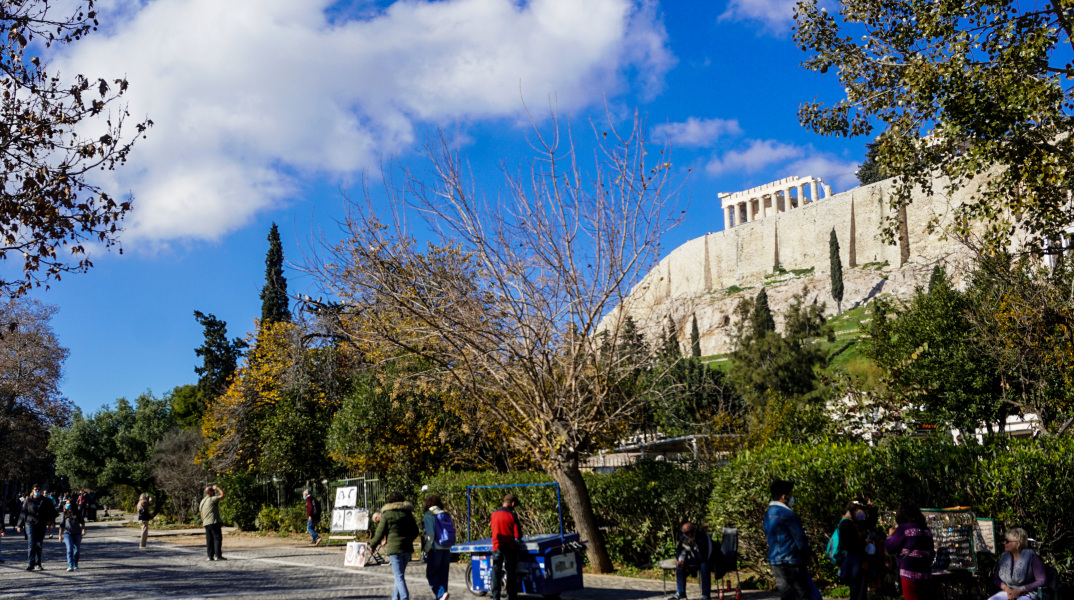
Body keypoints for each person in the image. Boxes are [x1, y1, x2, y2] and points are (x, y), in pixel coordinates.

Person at [763, 479, 812, 600]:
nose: (792, 497)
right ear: (784, 496)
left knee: (786, 595)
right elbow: (800, 538)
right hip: (791, 560)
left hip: (775, 561)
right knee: (801, 595)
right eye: (791, 494)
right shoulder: (787, 514)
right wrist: (807, 556)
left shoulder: (768, 514)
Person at [368, 491, 420, 600]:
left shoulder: (387, 514)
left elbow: (379, 532)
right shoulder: (407, 513)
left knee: (399, 576)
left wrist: (372, 545)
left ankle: (405, 598)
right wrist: (408, 540)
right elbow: (416, 530)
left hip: (394, 549)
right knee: (399, 575)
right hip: (407, 549)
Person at [884, 504, 934, 600]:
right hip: (925, 573)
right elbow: (931, 552)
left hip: (909, 574)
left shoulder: (903, 528)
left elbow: (890, 548)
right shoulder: (926, 530)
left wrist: (890, 535)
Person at [833, 500, 877, 600]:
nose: (861, 512)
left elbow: (870, 522)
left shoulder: (854, 523)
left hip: (859, 563)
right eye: (859, 509)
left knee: (860, 592)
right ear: (853, 510)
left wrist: (873, 509)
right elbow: (849, 545)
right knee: (857, 593)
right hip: (855, 564)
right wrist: (865, 542)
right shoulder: (846, 524)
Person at [988, 528, 1047, 600]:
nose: (1004, 543)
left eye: (1007, 541)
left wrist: (1020, 589)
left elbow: (1042, 580)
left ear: (1017, 544)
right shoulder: (1004, 557)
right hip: (1008, 591)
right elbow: (996, 579)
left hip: (1028, 593)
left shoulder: (1032, 557)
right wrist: (1007, 589)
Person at [672, 522, 722, 600]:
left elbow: (703, 557)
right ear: (684, 533)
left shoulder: (702, 537)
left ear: (694, 529)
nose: (690, 534)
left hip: (713, 561)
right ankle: (681, 593)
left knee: (704, 564)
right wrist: (680, 561)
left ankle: (706, 595)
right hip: (696, 560)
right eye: (687, 533)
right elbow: (680, 551)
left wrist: (687, 562)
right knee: (679, 566)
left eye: (691, 531)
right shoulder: (683, 538)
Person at [17, 484, 58, 571]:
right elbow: (23, 513)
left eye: (39, 489)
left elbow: (51, 512)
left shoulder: (46, 501)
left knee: (39, 544)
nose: (37, 490)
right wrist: (19, 525)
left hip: (41, 524)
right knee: (31, 544)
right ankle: (30, 563)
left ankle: (38, 563)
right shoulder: (28, 500)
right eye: (36, 489)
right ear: (32, 490)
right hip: (30, 523)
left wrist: (52, 522)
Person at [490, 493, 523, 600]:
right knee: (510, 572)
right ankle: (511, 596)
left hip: (496, 546)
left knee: (496, 571)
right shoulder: (512, 515)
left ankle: (496, 596)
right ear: (512, 503)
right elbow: (518, 535)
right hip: (509, 547)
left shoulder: (494, 514)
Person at [422, 493, 453, 600]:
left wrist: (426, 549)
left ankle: (441, 594)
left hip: (436, 549)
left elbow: (430, 535)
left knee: (431, 575)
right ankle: (442, 595)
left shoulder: (429, 515)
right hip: (447, 548)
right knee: (443, 576)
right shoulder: (445, 514)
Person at [199, 484, 227, 562]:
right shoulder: (212, 499)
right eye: (213, 490)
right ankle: (218, 555)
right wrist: (217, 488)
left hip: (206, 523)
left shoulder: (202, 501)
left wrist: (204, 522)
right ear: (210, 492)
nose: (214, 491)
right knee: (217, 538)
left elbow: (201, 513)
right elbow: (223, 495)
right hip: (213, 522)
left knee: (209, 540)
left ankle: (210, 556)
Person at [59, 500, 86, 571]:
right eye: (66, 503)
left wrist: (83, 529)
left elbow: (82, 522)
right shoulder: (64, 514)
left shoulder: (78, 513)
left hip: (77, 533)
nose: (67, 505)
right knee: (69, 549)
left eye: (68, 503)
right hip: (67, 533)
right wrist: (60, 535)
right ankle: (70, 565)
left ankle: (75, 563)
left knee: (76, 550)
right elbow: (61, 525)